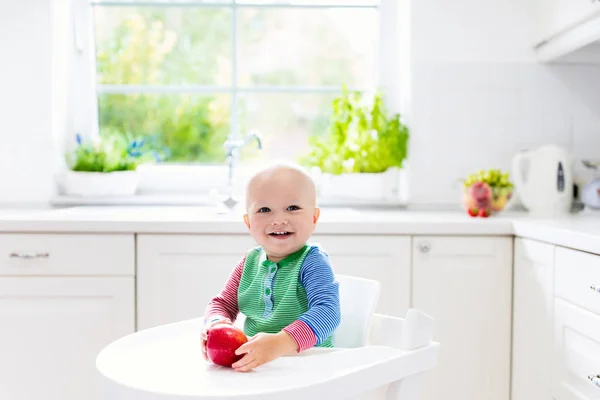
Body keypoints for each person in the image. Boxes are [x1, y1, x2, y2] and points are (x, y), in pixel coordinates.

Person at [201, 162, 341, 372]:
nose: (278, 220)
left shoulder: (312, 261)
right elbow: (223, 304)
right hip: (258, 368)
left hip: (310, 366)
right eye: (264, 210)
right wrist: (215, 324)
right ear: (248, 222)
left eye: (292, 208)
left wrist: (280, 343)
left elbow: (328, 313)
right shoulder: (249, 263)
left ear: (314, 217)